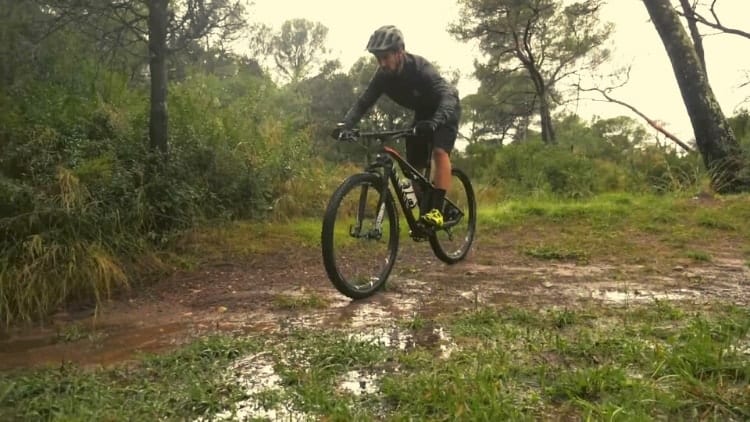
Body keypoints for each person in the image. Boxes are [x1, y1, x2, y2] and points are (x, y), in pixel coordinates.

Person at [331, 25, 461, 229]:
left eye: (385, 57)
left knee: (439, 151)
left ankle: (437, 210)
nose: (382, 63)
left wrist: (435, 122)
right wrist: (345, 125)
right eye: (378, 58)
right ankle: (426, 204)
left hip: (446, 109)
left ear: (400, 52)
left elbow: (447, 95)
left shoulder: (420, 68)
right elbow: (364, 102)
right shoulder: (382, 76)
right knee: (412, 171)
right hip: (423, 114)